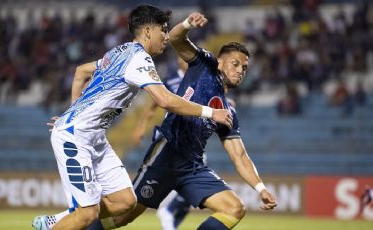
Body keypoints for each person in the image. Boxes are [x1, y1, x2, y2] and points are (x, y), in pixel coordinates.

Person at [31, 6, 232, 230]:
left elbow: (81, 72)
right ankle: (67, 220)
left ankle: (59, 220)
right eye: (163, 30)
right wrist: (210, 112)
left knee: (125, 202)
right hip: (75, 138)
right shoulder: (139, 59)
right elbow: (165, 100)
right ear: (147, 31)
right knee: (87, 215)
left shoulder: (120, 51)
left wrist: (74, 112)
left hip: (93, 138)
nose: (166, 36)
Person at [89, 12, 277, 230]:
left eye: (244, 68)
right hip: (167, 153)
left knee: (234, 208)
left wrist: (260, 188)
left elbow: (240, 156)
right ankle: (75, 224)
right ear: (220, 62)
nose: (239, 71)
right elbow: (177, 39)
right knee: (123, 216)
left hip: (192, 166)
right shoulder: (205, 66)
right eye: (235, 64)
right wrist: (188, 24)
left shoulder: (228, 112)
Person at [131, 55, 193, 230]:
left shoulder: (200, 79)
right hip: (171, 138)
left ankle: (169, 218)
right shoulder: (170, 81)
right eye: (183, 56)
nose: (187, 59)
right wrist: (140, 128)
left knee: (192, 187)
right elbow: (151, 107)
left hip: (193, 139)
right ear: (178, 60)